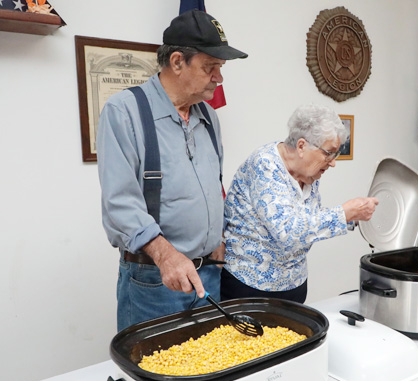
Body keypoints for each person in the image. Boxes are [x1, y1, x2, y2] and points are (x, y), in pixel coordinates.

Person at [97, 10, 247, 331]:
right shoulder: (124, 111)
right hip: (155, 281)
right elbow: (119, 203)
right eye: (210, 67)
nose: (219, 78)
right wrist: (167, 257)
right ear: (177, 62)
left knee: (208, 372)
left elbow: (213, 183)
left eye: (220, 68)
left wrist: (216, 237)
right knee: (157, 374)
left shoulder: (208, 116)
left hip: (209, 275)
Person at [221, 104, 379, 303]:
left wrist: (354, 218)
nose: (333, 162)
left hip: (294, 284)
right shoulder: (265, 165)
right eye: (328, 153)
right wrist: (344, 214)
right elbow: (287, 232)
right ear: (302, 146)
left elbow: (307, 219)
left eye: (336, 154)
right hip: (251, 288)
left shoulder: (309, 174)